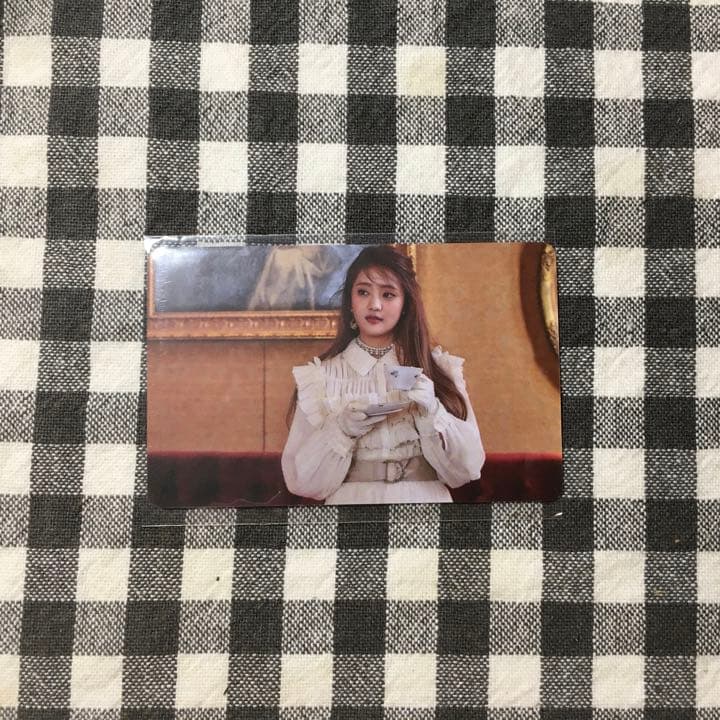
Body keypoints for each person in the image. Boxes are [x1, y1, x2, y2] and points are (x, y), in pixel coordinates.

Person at [281, 245, 485, 505]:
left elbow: (468, 469)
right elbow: (302, 481)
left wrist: (433, 412)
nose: (374, 305)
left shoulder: (438, 369)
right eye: (363, 292)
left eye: (388, 294)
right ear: (350, 301)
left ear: (405, 303)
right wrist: (341, 429)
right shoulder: (321, 378)